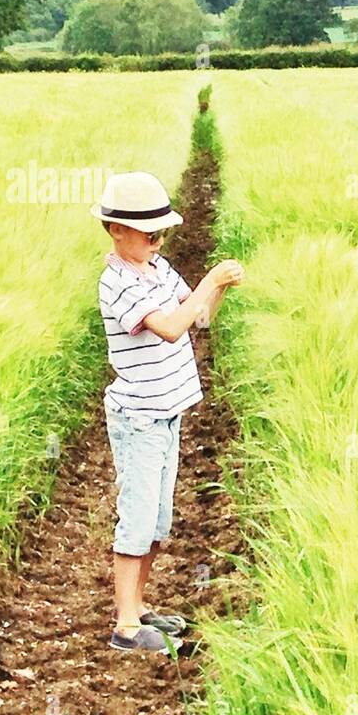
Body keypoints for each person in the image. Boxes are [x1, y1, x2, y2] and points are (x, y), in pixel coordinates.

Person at [91, 171, 243, 652]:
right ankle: (125, 626)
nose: (158, 239)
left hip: (167, 412)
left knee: (157, 520)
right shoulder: (116, 282)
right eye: (148, 231)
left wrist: (217, 290)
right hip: (139, 418)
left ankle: (139, 608)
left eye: (161, 231)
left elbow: (198, 318)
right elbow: (172, 328)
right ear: (117, 230)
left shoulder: (159, 269)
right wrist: (210, 278)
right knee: (136, 518)